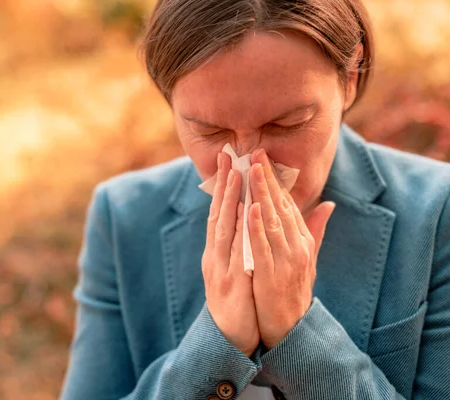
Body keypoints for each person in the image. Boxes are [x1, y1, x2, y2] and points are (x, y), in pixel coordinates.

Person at [60, 0, 450, 398]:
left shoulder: (436, 213)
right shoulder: (122, 217)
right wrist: (217, 343)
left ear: (349, 78)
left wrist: (297, 332)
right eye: (210, 131)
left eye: (286, 124)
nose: (248, 164)